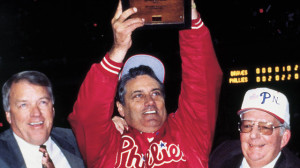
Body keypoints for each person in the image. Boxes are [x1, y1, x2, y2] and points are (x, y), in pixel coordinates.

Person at [68, 0, 223, 167]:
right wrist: (119, 48)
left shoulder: (187, 133)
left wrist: (189, 14)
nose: (150, 102)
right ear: (121, 108)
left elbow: (202, 81)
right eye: (138, 95)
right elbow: (88, 114)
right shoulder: (107, 146)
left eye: (156, 93)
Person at [0, 71, 85, 168]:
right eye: (23, 105)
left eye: (43, 102)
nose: (36, 113)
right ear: (9, 116)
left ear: (52, 110)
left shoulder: (78, 140)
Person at [209, 87, 300, 168]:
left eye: (265, 127)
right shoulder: (219, 157)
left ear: (284, 138)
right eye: (247, 126)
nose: (253, 135)